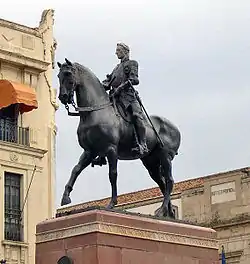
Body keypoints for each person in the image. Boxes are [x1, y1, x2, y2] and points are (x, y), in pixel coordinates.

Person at [91, 42, 148, 167]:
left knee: (136, 116)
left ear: (125, 51)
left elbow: (134, 79)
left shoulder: (132, 63)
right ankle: (101, 155)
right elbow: (108, 82)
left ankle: (143, 145)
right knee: (105, 121)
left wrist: (120, 88)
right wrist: (95, 86)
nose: (116, 52)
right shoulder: (116, 68)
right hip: (115, 98)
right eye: (116, 50)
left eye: (118, 50)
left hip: (128, 97)